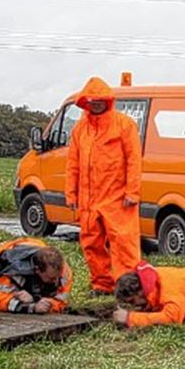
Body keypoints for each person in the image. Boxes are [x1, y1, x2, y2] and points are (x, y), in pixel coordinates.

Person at [65, 76, 141, 296]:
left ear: (108, 101)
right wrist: (71, 195)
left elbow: (134, 160)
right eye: (91, 101)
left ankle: (128, 287)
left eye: (99, 100)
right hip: (89, 199)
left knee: (123, 244)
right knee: (91, 242)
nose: (95, 104)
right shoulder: (80, 129)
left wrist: (132, 192)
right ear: (85, 102)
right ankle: (101, 284)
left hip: (118, 198)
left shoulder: (124, 125)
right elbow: (73, 164)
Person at [0, 237, 72, 314]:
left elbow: (61, 303)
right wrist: (31, 307)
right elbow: (1, 302)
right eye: (52, 278)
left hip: (33, 246)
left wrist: (36, 299)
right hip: (3, 256)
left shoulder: (64, 271)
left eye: (57, 277)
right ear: (37, 270)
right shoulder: (9, 270)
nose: (56, 281)